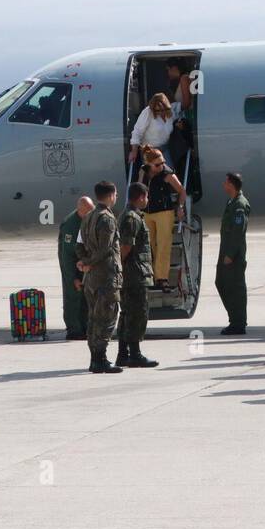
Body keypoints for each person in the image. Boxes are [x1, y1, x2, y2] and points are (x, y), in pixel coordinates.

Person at [76, 180, 123, 374]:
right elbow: (105, 250)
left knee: (93, 318)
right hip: (106, 277)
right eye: (116, 194)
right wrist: (89, 262)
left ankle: (94, 358)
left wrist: (84, 261)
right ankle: (101, 359)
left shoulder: (87, 217)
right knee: (107, 317)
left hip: (90, 279)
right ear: (111, 195)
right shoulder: (107, 219)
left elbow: (78, 246)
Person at [116, 182, 158, 369]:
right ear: (141, 197)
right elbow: (125, 247)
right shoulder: (132, 218)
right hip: (134, 274)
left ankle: (123, 354)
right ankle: (134, 354)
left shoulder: (130, 215)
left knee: (127, 314)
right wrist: (121, 267)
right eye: (146, 197)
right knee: (136, 313)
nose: (147, 200)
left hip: (132, 273)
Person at [139, 146, 187, 291]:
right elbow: (139, 188)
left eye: (162, 163)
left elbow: (182, 191)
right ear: (148, 163)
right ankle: (152, 276)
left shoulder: (167, 174)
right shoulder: (143, 171)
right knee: (150, 245)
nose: (161, 166)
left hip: (164, 212)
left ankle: (162, 278)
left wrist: (180, 206)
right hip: (147, 212)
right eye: (157, 164)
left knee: (163, 245)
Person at [215, 172, 250, 335]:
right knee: (221, 282)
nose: (223, 184)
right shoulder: (232, 202)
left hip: (233, 253)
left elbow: (238, 231)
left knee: (236, 287)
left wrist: (230, 254)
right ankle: (235, 318)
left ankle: (238, 322)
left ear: (232, 184)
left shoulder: (239, 204)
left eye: (226, 182)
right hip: (226, 250)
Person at [58, 197, 94, 340]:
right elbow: (66, 255)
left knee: (85, 295)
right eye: (89, 210)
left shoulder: (87, 219)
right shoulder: (70, 225)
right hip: (71, 264)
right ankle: (73, 329)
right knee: (73, 294)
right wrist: (72, 277)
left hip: (83, 262)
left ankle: (85, 326)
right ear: (81, 210)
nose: (92, 212)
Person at [129, 94, 177, 172]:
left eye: (162, 110)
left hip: (164, 149)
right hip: (150, 151)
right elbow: (137, 132)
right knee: (153, 174)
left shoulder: (170, 113)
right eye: (157, 110)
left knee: (170, 173)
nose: (160, 112)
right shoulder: (147, 112)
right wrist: (134, 151)